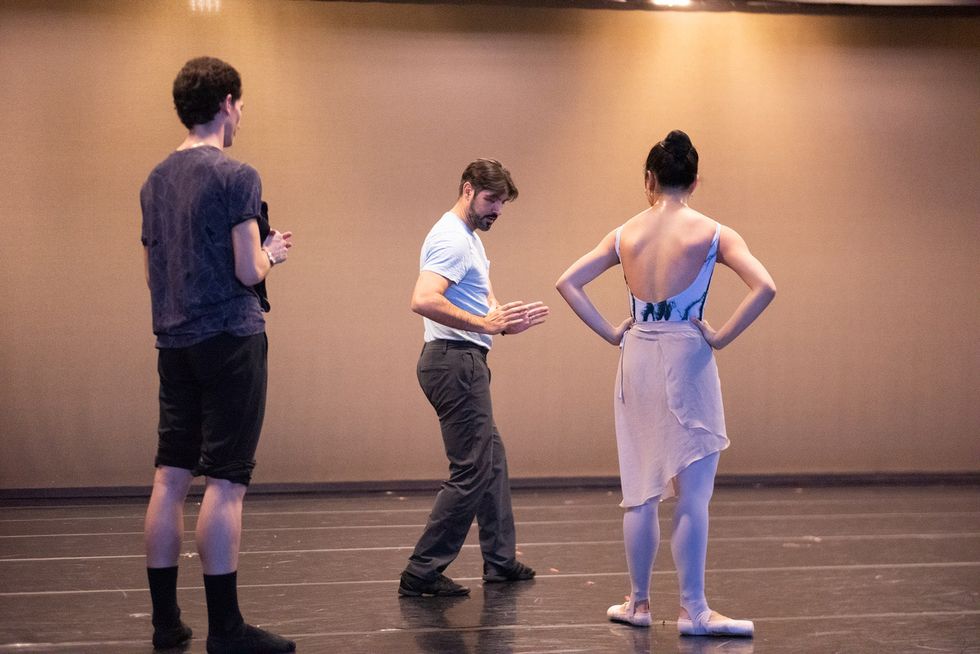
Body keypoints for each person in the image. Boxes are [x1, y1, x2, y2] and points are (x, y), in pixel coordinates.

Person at [556, 130, 775, 636]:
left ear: (649, 179)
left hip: (638, 354)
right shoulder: (715, 233)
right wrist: (720, 337)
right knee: (691, 494)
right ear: (695, 181)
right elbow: (765, 286)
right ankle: (693, 609)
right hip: (688, 354)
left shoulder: (624, 233)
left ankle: (638, 602)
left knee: (641, 489)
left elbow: (568, 282)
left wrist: (613, 331)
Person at [140, 56, 296, 653]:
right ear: (228, 102)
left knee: (170, 476)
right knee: (226, 483)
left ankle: (164, 624)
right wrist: (273, 253)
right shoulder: (237, 176)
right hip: (230, 340)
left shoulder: (154, 180)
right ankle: (225, 631)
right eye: (242, 103)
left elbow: (154, 271)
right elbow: (245, 266)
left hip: (173, 343)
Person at [399, 159, 550, 597]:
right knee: (471, 469)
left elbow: (480, 298)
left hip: (461, 361)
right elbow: (423, 299)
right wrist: (485, 326)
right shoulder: (452, 239)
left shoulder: (468, 240)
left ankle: (500, 562)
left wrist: (501, 322)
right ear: (468, 190)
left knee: (492, 462)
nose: (497, 210)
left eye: (502, 202)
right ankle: (421, 571)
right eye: (491, 199)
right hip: (454, 363)